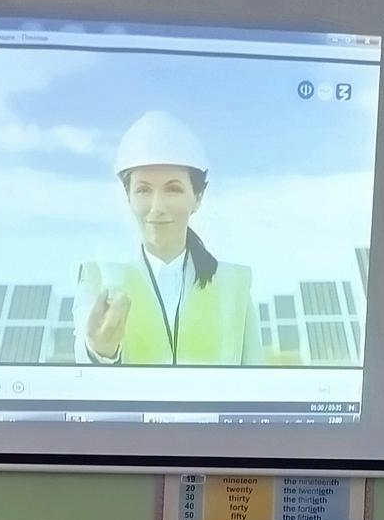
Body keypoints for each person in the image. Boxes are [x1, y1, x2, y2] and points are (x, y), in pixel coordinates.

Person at [78, 111, 263, 367]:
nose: (157, 207)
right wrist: (100, 352)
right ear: (128, 197)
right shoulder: (98, 280)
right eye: (143, 190)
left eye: (173, 189)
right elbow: (81, 377)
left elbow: (255, 380)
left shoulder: (234, 285)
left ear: (198, 198)